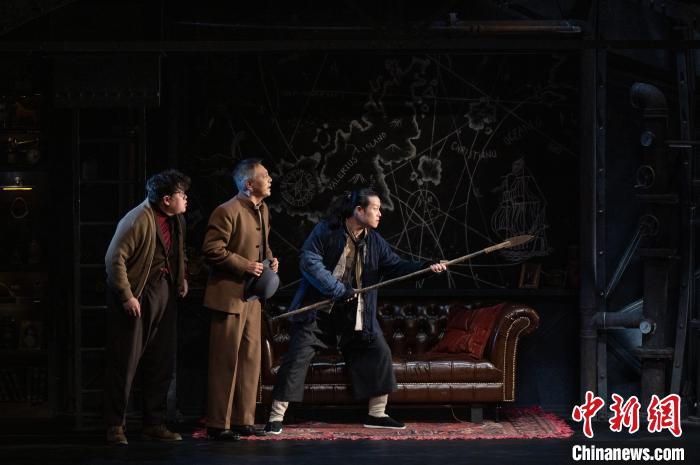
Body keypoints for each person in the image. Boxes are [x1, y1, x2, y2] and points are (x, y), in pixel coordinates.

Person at [265, 188, 447, 434]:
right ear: (359, 210)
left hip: (355, 316)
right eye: (376, 208)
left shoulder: (374, 240)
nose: (380, 213)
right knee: (297, 356)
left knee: (379, 350)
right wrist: (339, 289)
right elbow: (309, 262)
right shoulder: (326, 231)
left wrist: (426, 268)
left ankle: (377, 414)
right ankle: (276, 416)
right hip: (319, 313)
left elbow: (396, 266)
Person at [104, 169, 190, 445]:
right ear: (166, 199)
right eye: (181, 194)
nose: (185, 198)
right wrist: (127, 296)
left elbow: (178, 251)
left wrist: (181, 277)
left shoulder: (177, 219)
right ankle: (115, 425)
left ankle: (154, 423)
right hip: (139, 295)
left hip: (165, 292)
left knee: (161, 361)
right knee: (126, 362)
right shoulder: (137, 219)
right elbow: (114, 259)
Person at [202, 159, 279, 441]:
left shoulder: (263, 210)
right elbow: (212, 249)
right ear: (248, 184)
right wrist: (245, 265)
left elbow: (263, 246)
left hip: (252, 298)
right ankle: (218, 423)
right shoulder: (226, 211)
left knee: (249, 360)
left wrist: (270, 260)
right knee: (225, 361)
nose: (270, 179)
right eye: (264, 175)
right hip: (229, 297)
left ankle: (243, 420)